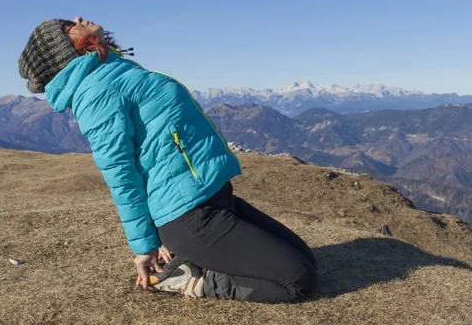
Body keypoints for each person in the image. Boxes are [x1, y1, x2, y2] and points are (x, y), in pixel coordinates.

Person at [18, 17, 318, 303]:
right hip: (189, 217)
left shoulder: (111, 70)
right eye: (67, 26)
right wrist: (145, 245)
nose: (78, 17)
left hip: (211, 198)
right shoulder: (94, 93)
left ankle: (194, 259)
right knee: (299, 281)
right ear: (66, 50)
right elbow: (120, 173)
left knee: (308, 259)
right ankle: (195, 282)